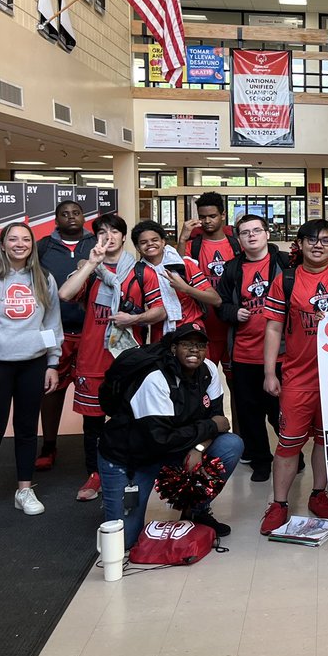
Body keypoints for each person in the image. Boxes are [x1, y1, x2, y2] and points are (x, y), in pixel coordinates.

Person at [97, 323, 243, 550]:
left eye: (200, 345)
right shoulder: (156, 378)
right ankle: (113, 497)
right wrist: (208, 429)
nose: (194, 350)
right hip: (130, 460)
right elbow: (160, 439)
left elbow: (219, 422)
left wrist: (199, 449)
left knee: (230, 445)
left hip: (176, 449)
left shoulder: (208, 371)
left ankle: (196, 510)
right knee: (123, 542)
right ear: (174, 348)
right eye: (187, 344)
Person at [0, 223, 63, 518]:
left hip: (33, 364)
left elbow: (52, 324)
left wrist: (52, 362)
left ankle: (24, 489)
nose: (20, 244)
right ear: (3, 244)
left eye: (26, 239)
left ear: (32, 244)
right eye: (13, 239)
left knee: (28, 430)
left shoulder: (43, 278)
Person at [59, 214, 165, 502]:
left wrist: (134, 318)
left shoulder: (142, 272)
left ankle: (128, 468)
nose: (109, 236)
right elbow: (65, 293)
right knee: (92, 423)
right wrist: (91, 263)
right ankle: (95, 472)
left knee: (128, 418)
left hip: (128, 359)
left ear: (122, 236)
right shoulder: (91, 270)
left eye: (114, 231)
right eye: (102, 232)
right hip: (92, 357)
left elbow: (160, 310)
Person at [259, 219, 328, 535]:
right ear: (299, 244)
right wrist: (270, 372)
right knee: (288, 444)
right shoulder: (285, 280)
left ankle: (319, 494)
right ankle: (279, 503)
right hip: (297, 377)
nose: (318, 245)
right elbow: (272, 327)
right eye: (311, 239)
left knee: (324, 441)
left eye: (325, 240)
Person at [216, 214, 292, 483]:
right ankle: (261, 460)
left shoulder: (285, 263)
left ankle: (293, 455)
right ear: (239, 239)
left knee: (280, 412)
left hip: (283, 354)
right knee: (250, 414)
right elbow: (220, 304)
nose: (252, 235)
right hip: (244, 354)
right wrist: (232, 311)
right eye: (245, 232)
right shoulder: (232, 269)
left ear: (267, 234)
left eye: (257, 230)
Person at [34, 200, 97, 470]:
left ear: (84, 217)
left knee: (92, 393)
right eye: (64, 214)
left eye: (76, 213)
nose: (71, 217)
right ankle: (48, 445)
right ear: (56, 219)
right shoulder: (43, 247)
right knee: (51, 390)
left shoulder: (97, 244)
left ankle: (93, 449)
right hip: (55, 333)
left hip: (91, 333)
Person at [177, 192, 239, 365]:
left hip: (230, 327)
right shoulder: (192, 246)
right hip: (202, 326)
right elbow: (178, 273)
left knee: (235, 382)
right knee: (202, 381)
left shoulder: (236, 245)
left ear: (223, 215)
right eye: (203, 217)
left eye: (212, 216)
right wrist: (182, 238)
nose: (207, 221)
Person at [132, 220, 219, 339]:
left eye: (155, 240)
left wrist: (186, 288)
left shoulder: (184, 265)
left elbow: (216, 300)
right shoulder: (137, 273)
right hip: (161, 334)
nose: (150, 244)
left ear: (163, 242)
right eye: (143, 242)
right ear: (137, 247)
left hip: (192, 330)